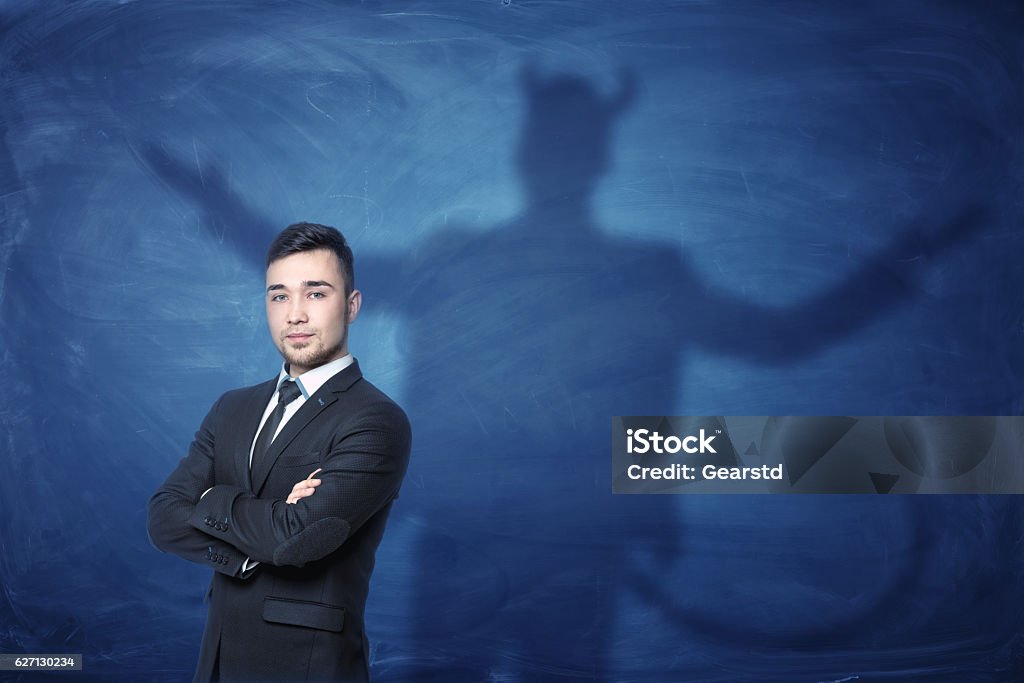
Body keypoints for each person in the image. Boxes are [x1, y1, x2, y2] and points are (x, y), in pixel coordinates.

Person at [147, 222, 411, 683]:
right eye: (279, 295)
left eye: (315, 293)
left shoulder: (375, 420)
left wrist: (210, 499)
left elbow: (296, 541)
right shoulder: (232, 407)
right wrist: (250, 546)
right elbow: (163, 517)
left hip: (308, 668)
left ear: (352, 306)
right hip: (217, 662)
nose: (295, 314)